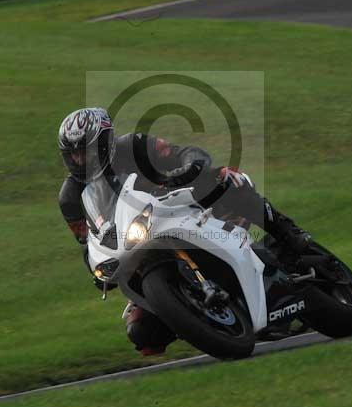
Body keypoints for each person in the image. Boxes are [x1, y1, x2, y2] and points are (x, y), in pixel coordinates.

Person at [57, 107, 312, 355]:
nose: (80, 160)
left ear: (104, 142)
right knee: (142, 334)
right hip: (136, 244)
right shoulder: (70, 197)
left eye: (85, 151)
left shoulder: (135, 146)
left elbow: (188, 153)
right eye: (73, 155)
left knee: (224, 179)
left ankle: (290, 233)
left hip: (178, 207)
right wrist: (97, 269)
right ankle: (198, 317)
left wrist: (188, 168)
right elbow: (87, 240)